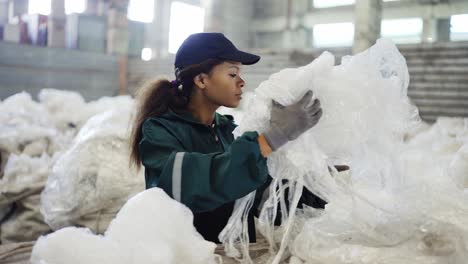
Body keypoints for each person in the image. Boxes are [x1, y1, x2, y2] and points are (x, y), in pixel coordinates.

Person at [129, 33, 324, 243]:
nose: (241, 82)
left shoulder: (227, 129)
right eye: (232, 74)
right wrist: (272, 137)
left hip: (231, 254)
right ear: (201, 80)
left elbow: (254, 195)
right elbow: (192, 184)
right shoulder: (160, 131)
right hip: (188, 256)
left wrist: (310, 188)